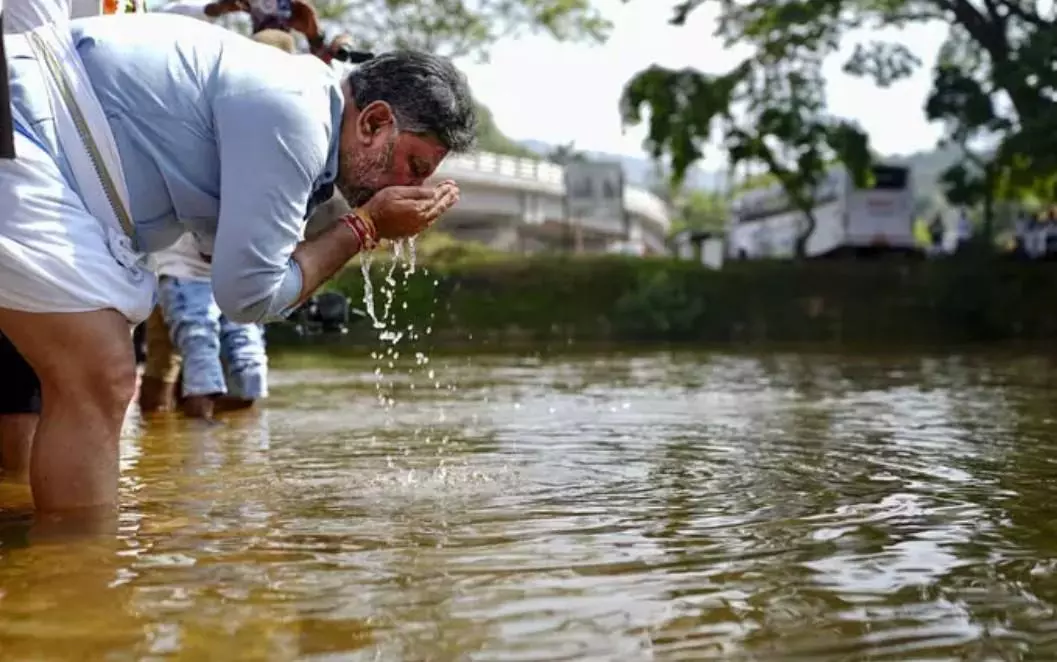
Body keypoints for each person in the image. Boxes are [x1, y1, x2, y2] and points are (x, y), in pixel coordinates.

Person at [1, 13, 475, 514]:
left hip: (48, 152)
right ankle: (82, 581)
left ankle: (52, 571)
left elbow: (232, 260)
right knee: (98, 374)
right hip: (27, 130)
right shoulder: (297, 116)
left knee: (85, 376)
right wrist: (365, 228)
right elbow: (248, 295)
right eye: (416, 166)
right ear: (374, 122)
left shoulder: (305, 114)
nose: (414, 187)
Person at [0, 0, 146, 486]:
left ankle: (44, 534)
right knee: (92, 368)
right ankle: (61, 545)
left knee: (74, 372)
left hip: (68, 164)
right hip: (37, 147)